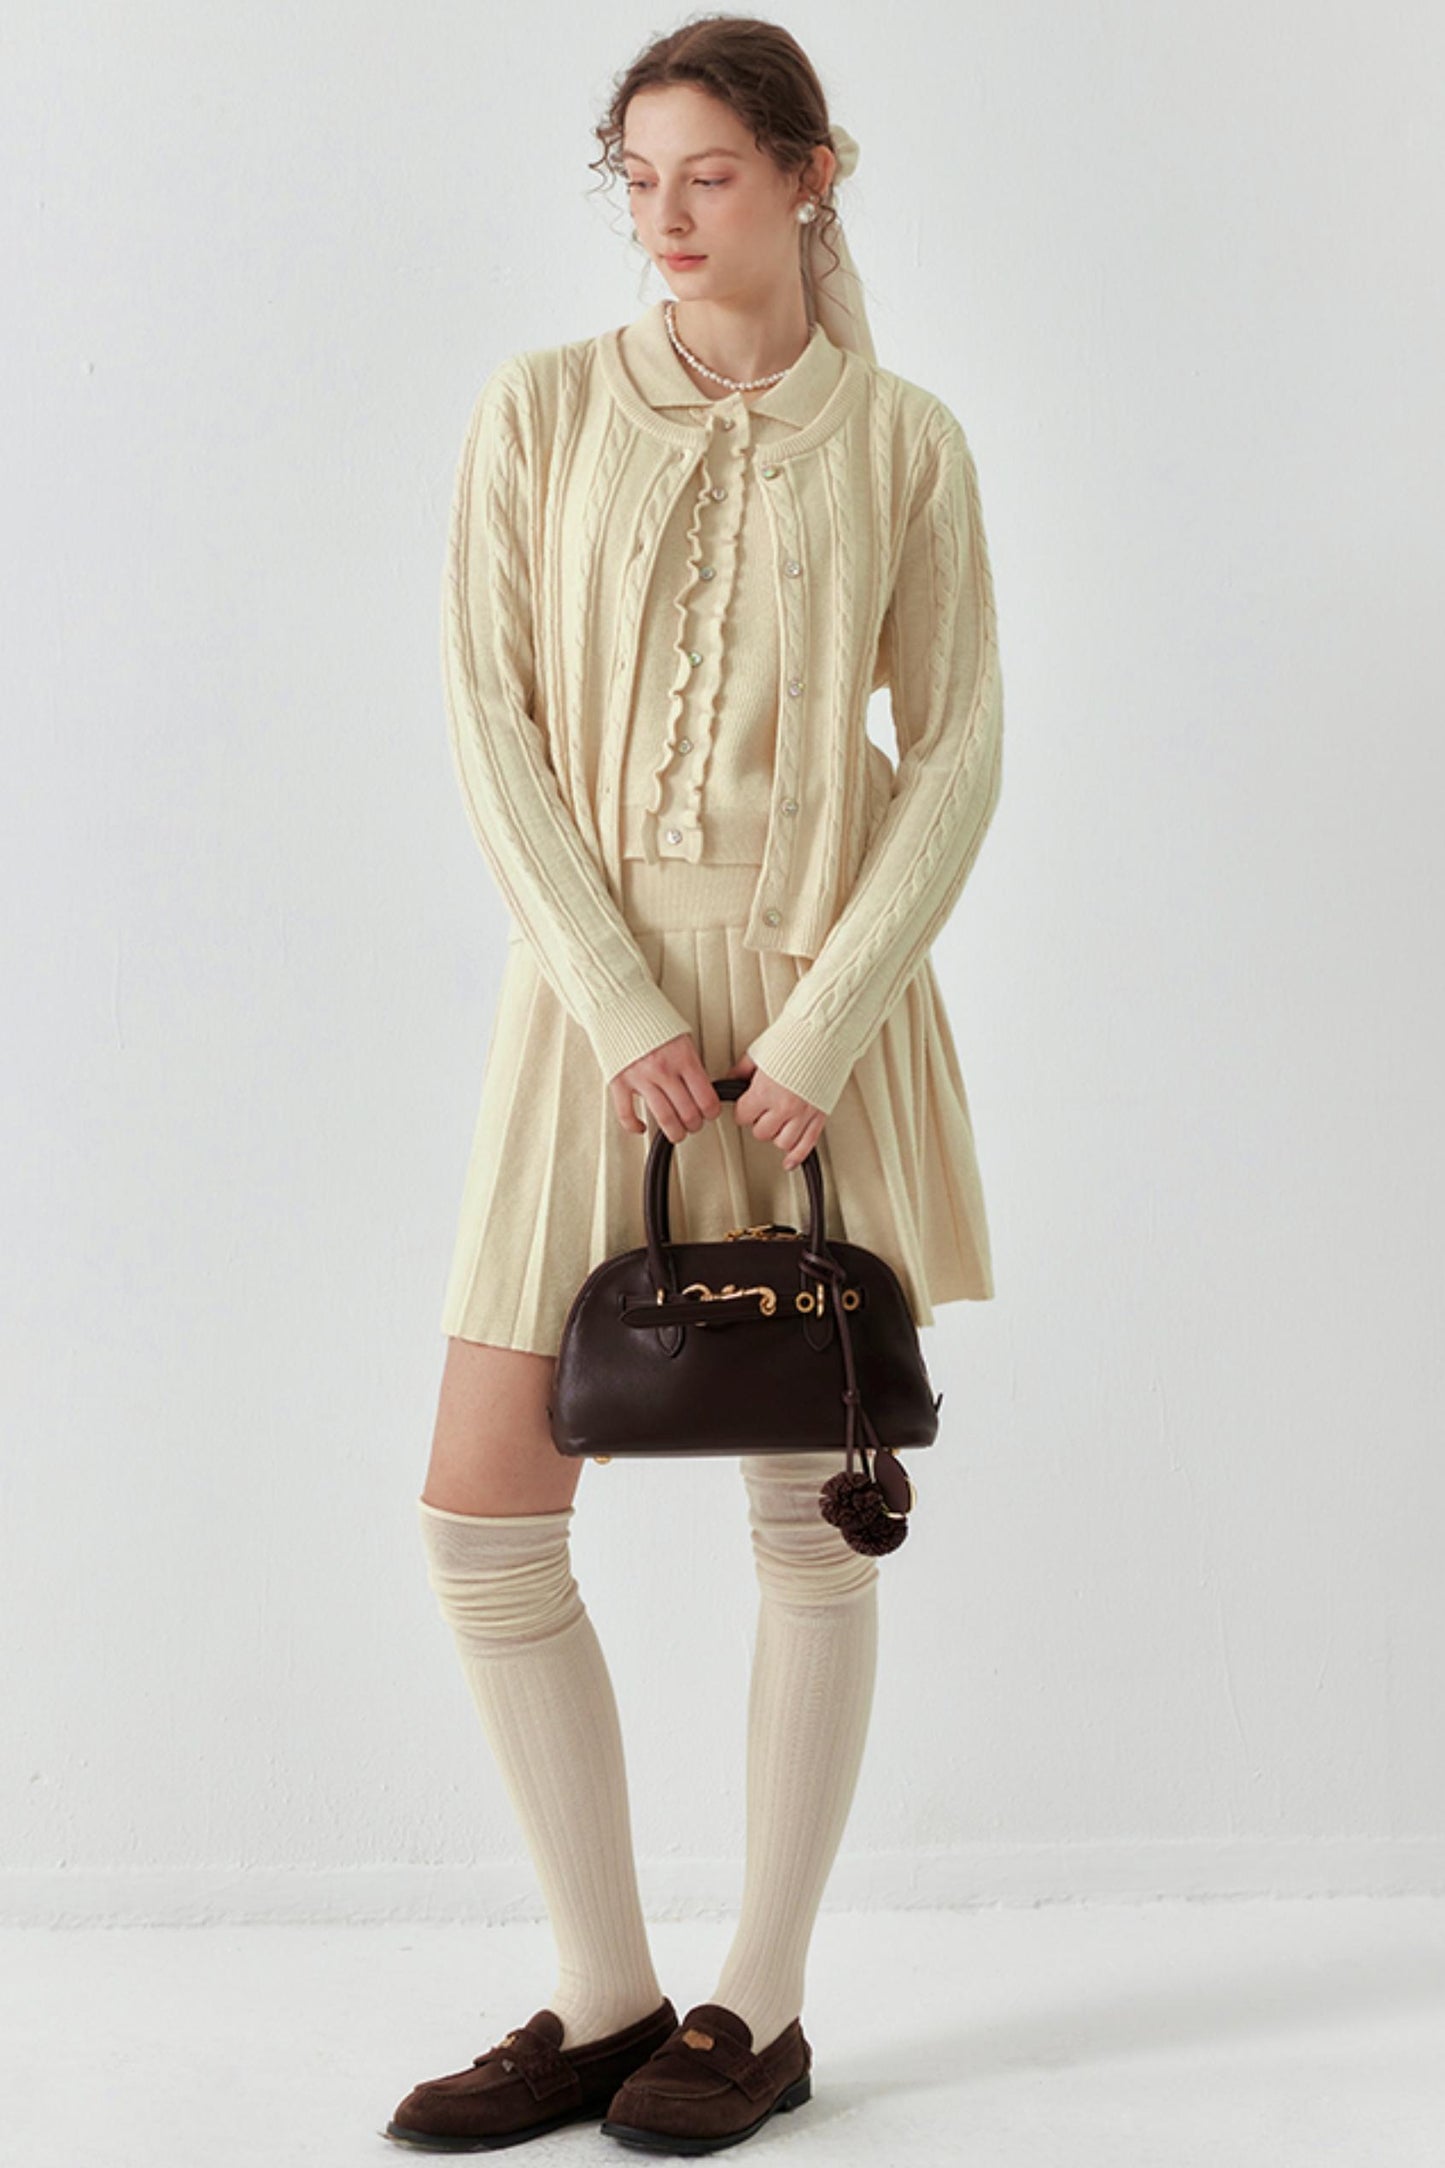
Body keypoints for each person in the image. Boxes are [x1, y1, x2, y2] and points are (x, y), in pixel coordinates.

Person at [386, 16, 1004, 2155]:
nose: (660, 215)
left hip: (820, 1005)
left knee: (806, 1517)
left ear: (810, 175)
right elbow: (488, 721)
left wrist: (820, 1031)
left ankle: (761, 2000)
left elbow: (959, 748)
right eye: (632, 176)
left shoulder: (904, 440)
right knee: (483, 1515)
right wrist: (610, 988)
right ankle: (601, 1992)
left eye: (706, 174)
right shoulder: (541, 409)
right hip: (594, 1013)